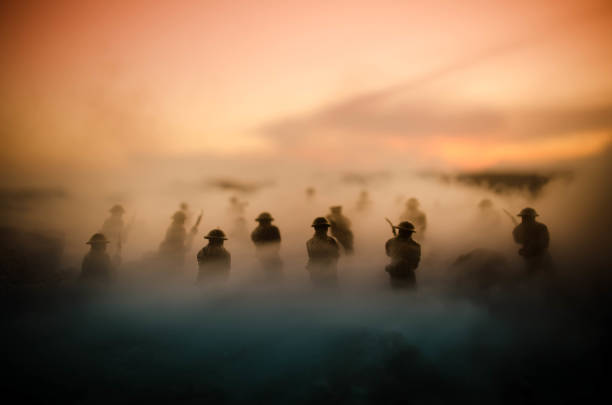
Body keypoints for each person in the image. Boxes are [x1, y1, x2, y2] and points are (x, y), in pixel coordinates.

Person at [512, 208, 552, 275]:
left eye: (528, 217)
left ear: (533, 217)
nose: (526, 219)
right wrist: (519, 235)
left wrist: (532, 244)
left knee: (550, 275)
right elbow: (517, 240)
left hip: (542, 256)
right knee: (531, 277)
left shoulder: (541, 227)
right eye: (524, 217)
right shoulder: (518, 228)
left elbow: (545, 242)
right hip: (529, 258)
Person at [385, 221, 421, 289]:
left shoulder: (415, 246)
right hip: (395, 275)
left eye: (407, 232)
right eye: (403, 232)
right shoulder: (391, 242)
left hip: (408, 276)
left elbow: (415, 264)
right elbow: (389, 254)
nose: (406, 234)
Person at [306, 217, 340, 286]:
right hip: (317, 273)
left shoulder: (332, 241)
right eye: (320, 228)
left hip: (330, 273)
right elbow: (312, 257)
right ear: (316, 229)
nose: (323, 230)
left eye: (325, 227)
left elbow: (337, 255)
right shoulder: (310, 242)